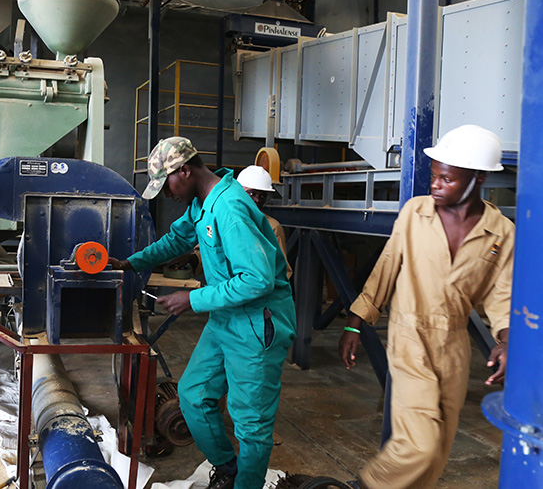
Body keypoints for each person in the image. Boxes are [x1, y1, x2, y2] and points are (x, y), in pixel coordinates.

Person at [110, 137, 295, 489]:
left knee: (250, 424)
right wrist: (131, 264)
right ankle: (228, 468)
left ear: (186, 171)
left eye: (167, 185)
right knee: (194, 396)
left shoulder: (230, 209)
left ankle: (246, 484)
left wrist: (191, 300)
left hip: (258, 323)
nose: (167, 194)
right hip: (227, 317)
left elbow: (256, 280)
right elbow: (176, 241)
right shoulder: (201, 202)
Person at [338, 124, 513, 489]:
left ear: (478, 178)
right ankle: (365, 486)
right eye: (434, 176)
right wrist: (356, 322)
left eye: (446, 180)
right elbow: (386, 268)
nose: (434, 185)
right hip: (409, 337)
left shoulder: (501, 233)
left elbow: (503, 295)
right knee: (419, 444)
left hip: (454, 346)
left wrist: (506, 340)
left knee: (436, 454)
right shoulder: (416, 213)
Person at [236, 165, 292, 279]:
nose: (257, 199)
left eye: (262, 195)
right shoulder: (224, 219)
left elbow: (282, 271)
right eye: (252, 193)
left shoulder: (272, 227)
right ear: (239, 191)